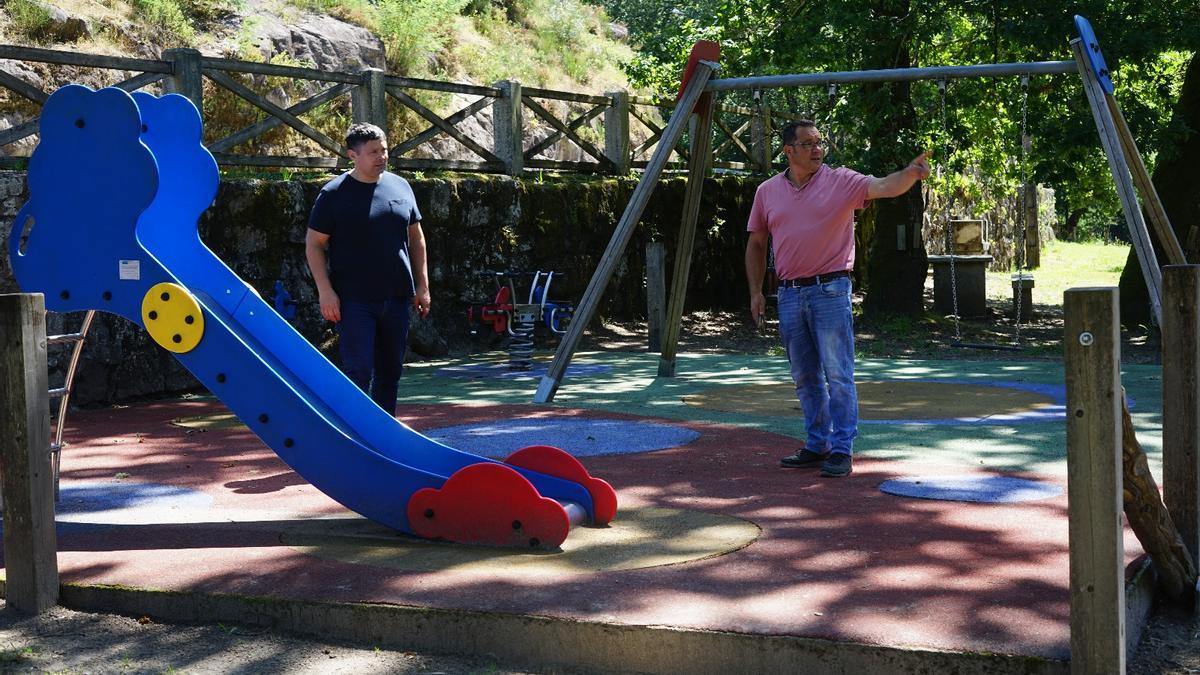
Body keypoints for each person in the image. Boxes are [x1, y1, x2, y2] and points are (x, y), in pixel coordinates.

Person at [745, 120, 930, 477]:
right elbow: (756, 243)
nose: (817, 149)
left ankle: (842, 449)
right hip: (788, 293)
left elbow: (883, 186)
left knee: (838, 373)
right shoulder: (767, 191)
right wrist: (755, 291)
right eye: (808, 143)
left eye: (819, 142)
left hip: (830, 289)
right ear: (789, 151)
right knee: (804, 376)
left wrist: (909, 173)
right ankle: (817, 444)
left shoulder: (841, 180)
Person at [306, 122, 431, 415]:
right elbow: (314, 244)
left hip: (398, 297)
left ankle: (383, 435)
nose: (382, 156)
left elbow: (417, 238)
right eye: (373, 152)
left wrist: (423, 286)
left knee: (391, 372)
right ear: (353, 155)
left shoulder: (401, 186)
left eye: (384, 150)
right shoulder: (333, 194)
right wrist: (325, 292)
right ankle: (356, 432)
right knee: (359, 371)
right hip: (354, 300)